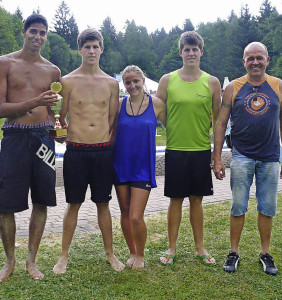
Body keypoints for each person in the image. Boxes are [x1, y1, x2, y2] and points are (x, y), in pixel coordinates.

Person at [53, 28, 124, 274]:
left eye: (96, 46)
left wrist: (109, 148)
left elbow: (113, 121)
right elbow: (59, 118)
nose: (91, 51)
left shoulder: (111, 83)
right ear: (80, 49)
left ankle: (110, 254)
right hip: (76, 151)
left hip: (102, 152)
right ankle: (63, 256)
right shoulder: (68, 81)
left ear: (102, 49)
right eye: (87, 47)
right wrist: (59, 133)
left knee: (103, 204)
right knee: (73, 204)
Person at [0, 14, 60, 281]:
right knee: (6, 204)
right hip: (13, 136)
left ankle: (31, 261)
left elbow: (52, 111)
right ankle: (9, 261)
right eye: (33, 31)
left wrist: (57, 129)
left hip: (42, 139)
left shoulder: (52, 70)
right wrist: (34, 101)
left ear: (46, 36)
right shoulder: (5, 63)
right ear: (24, 32)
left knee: (42, 199)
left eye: (43, 33)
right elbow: (0, 108)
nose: (38, 37)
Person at [213, 42, 281, 275]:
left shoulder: (277, 85)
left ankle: (265, 253)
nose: (255, 62)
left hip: (271, 157)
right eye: (250, 58)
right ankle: (233, 253)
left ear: (267, 60)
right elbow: (221, 123)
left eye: (259, 58)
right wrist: (218, 157)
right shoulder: (233, 87)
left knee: (268, 207)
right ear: (244, 61)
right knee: (238, 206)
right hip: (241, 156)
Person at [156, 31, 221, 266]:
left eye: (195, 49)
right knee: (175, 200)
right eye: (187, 49)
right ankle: (171, 248)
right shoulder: (167, 80)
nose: (191, 53)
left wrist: (216, 154)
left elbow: (218, 119)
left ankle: (200, 248)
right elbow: (159, 111)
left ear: (201, 52)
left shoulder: (212, 82)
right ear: (180, 52)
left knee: (197, 201)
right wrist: (173, 127)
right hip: (175, 149)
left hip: (201, 150)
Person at [113, 65, 166, 269]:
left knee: (136, 215)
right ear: (124, 84)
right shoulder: (119, 105)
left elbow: (173, 127)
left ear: (143, 80)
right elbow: (107, 128)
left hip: (143, 166)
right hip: (120, 164)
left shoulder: (157, 105)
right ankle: (132, 252)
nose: (132, 85)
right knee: (125, 212)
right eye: (128, 82)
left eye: (136, 81)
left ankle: (141, 255)